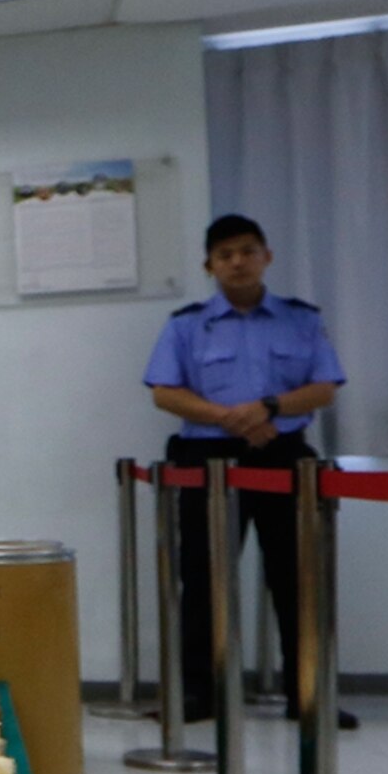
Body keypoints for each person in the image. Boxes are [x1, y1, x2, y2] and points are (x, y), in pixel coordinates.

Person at [143, 214, 352, 727]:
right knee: (203, 579)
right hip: (207, 462)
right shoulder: (186, 324)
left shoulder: (301, 319)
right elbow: (165, 392)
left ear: (267, 256)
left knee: (297, 577)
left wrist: (269, 408)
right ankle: (199, 694)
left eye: (247, 251)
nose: (237, 262)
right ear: (209, 265)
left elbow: (324, 386)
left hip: (283, 456)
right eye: (225, 255)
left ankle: (306, 694)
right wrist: (231, 418)